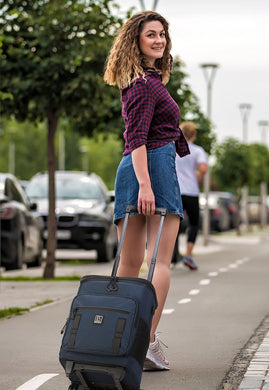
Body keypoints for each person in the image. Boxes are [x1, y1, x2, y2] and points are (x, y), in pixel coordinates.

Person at [104, 11, 189, 371]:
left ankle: (121, 339)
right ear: (135, 41)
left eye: (162, 35)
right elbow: (137, 138)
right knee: (159, 260)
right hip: (149, 167)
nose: (159, 40)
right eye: (151, 35)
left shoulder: (142, 81)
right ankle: (145, 343)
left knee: (130, 261)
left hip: (138, 168)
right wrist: (146, 185)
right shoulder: (143, 84)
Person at [173, 121, 208, 270]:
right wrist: (198, 176)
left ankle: (171, 255)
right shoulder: (198, 150)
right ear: (193, 135)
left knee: (173, 223)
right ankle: (188, 254)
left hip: (175, 191)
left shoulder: (173, 148)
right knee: (194, 223)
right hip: (192, 192)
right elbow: (203, 168)